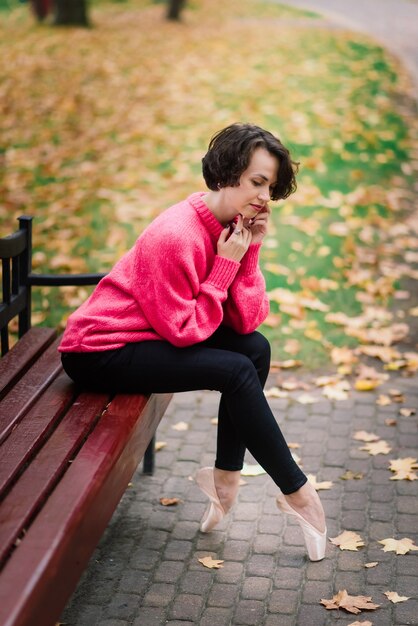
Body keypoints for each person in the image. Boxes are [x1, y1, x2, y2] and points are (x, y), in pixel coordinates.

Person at [59, 123, 327, 561]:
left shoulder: (232, 228)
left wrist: (248, 253)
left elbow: (246, 322)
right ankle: (298, 493)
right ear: (227, 173)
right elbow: (184, 332)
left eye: (271, 187)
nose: (264, 196)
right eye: (256, 181)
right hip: (100, 350)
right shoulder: (177, 235)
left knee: (255, 350)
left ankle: (225, 475)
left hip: (150, 332)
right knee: (236, 370)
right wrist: (224, 266)